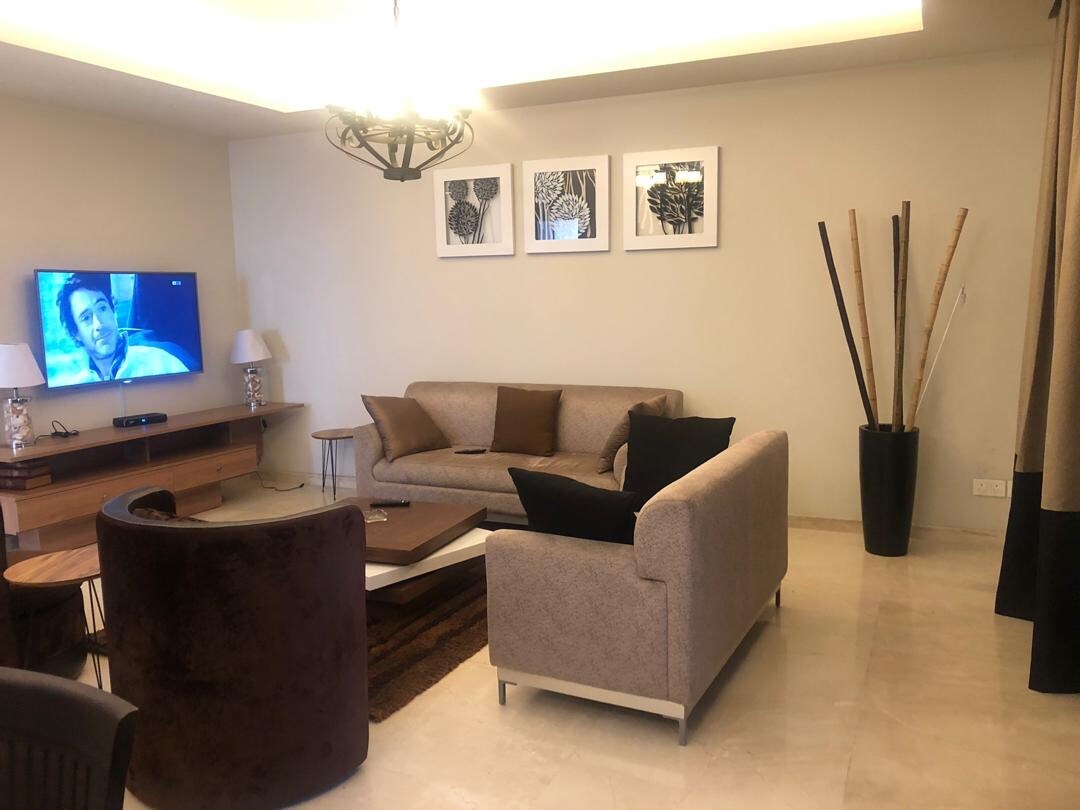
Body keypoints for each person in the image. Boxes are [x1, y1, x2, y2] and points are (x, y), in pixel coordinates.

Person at [53, 273, 189, 385]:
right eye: (86, 318)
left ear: (113, 310)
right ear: (75, 333)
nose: (99, 324)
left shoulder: (161, 362)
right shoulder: (76, 386)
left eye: (102, 308)